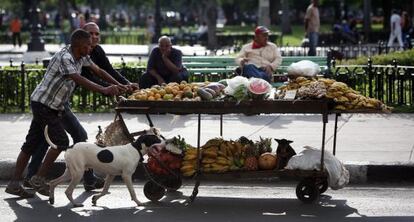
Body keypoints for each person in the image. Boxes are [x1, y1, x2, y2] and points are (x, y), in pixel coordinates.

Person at [5, 29, 128, 198]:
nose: (91, 49)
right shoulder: (65, 57)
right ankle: (38, 179)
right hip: (44, 105)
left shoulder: (82, 55)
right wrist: (105, 89)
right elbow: (78, 78)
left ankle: (14, 184)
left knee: (31, 144)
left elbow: (98, 70)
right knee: (61, 141)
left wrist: (120, 85)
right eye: (88, 46)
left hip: (52, 105)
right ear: (79, 46)